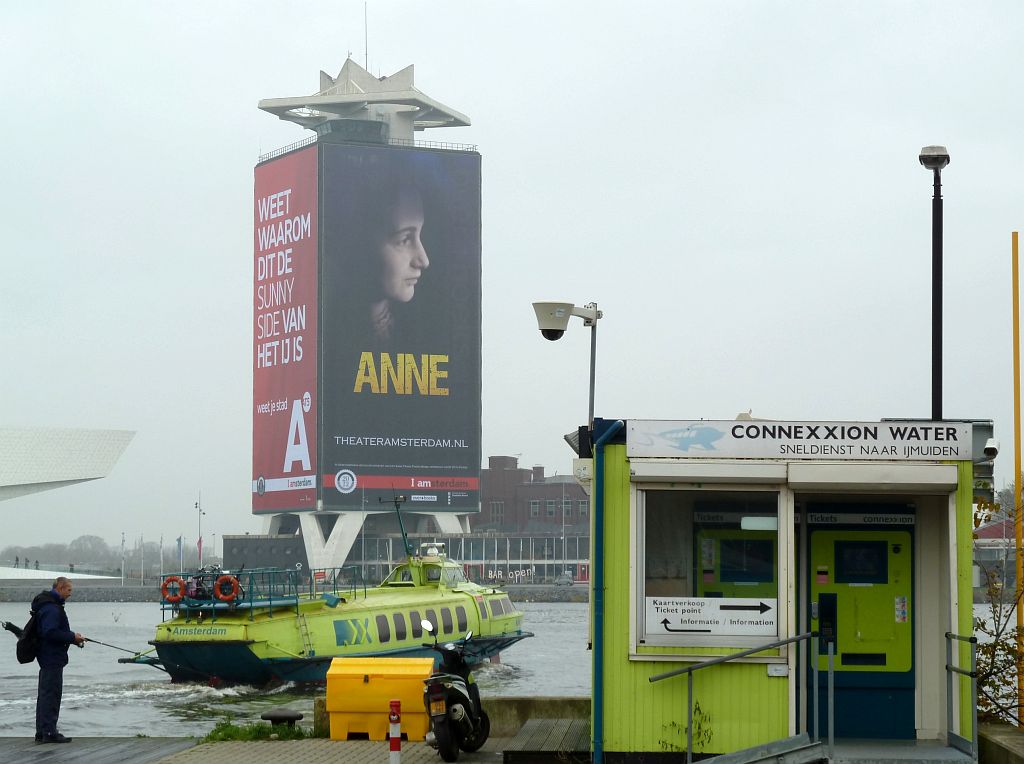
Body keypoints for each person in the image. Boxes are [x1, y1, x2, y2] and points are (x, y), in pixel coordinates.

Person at [32, 576, 84, 744]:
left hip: (47, 655)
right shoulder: (52, 609)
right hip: (51, 656)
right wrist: (72, 637)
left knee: (45, 693)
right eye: (68, 590)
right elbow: (50, 632)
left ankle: (42, 732)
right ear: (60, 588)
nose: (70, 594)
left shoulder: (47, 606)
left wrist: (72, 640)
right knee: (51, 694)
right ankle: (49, 732)